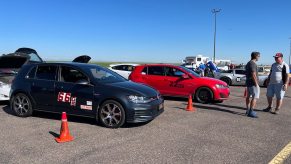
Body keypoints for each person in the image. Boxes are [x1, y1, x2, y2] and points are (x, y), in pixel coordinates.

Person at [245, 52, 260, 118]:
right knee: (254, 97)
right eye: (259, 56)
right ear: (256, 56)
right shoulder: (253, 63)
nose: (259, 57)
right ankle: (251, 112)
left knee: (248, 96)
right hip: (252, 83)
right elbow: (253, 74)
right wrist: (256, 84)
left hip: (248, 82)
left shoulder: (248, 63)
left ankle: (247, 110)